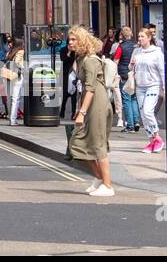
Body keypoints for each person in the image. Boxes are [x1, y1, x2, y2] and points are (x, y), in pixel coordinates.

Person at [67, 27, 114, 197]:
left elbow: (91, 88)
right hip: (89, 103)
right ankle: (99, 177)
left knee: (98, 143)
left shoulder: (91, 61)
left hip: (98, 104)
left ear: (82, 41)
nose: (70, 42)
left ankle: (108, 186)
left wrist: (82, 112)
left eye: (73, 39)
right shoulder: (81, 59)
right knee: (77, 143)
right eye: (69, 39)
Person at [130, 28, 165, 154]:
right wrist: (132, 64)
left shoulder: (157, 53)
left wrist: (164, 88)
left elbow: (162, 71)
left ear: (149, 38)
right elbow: (131, 67)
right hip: (140, 86)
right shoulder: (136, 51)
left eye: (142, 36)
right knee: (143, 116)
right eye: (139, 36)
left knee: (148, 111)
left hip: (153, 85)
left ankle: (157, 137)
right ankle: (151, 141)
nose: (140, 39)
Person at [112, 26, 140, 132]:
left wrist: (114, 74)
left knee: (127, 100)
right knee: (133, 98)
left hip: (124, 75)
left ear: (121, 35)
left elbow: (116, 62)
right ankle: (136, 121)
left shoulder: (121, 47)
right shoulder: (136, 46)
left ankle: (130, 125)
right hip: (134, 74)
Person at [4, 38, 26, 126]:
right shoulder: (20, 51)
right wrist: (23, 68)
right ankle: (13, 120)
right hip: (17, 76)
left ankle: (11, 119)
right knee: (16, 99)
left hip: (8, 75)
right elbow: (17, 62)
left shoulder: (10, 51)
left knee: (10, 98)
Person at [59, 43, 77, 119]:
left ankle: (73, 114)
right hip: (65, 74)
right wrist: (69, 52)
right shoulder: (63, 50)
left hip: (74, 73)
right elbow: (63, 60)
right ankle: (62, 111)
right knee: (65, 94)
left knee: (74, 94)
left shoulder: (76, 51)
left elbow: (76, 61)